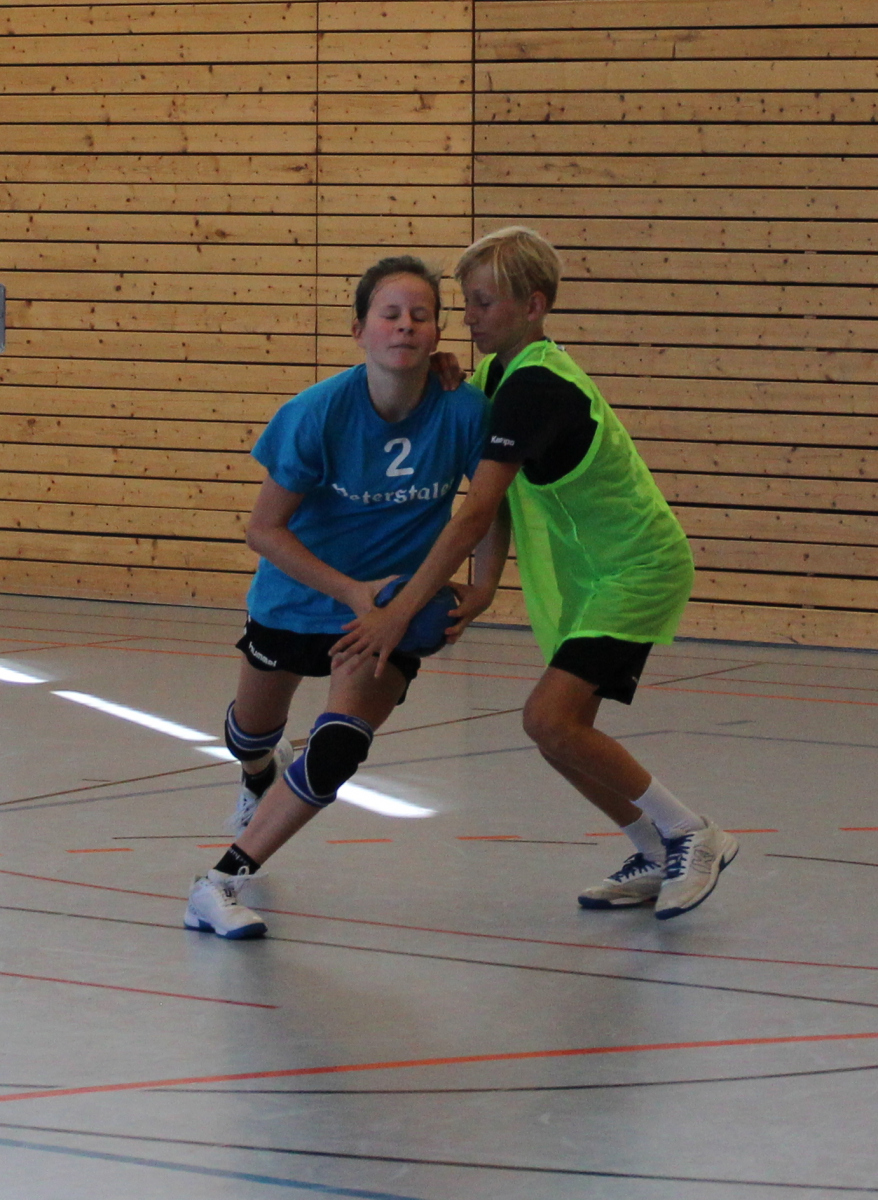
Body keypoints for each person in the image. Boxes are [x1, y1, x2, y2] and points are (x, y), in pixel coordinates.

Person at [333, 227, 738, 921]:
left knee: (549, 720)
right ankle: (650, 847)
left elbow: (472, 513)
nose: (469, 316)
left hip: (636, 566)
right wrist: (485, 586)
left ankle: (690, 833)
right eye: (466, 301)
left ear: (534, 305)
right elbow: (494, 498)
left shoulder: (536, 386)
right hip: (596, 573)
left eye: (484, 302)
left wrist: (399, 612)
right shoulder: (501, 375)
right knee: (557, 732)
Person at [184, 255, 509, 938]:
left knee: (339, 747)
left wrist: (481, 589)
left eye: (420, 315)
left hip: (389, 613)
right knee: (249, 735)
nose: (405, 325)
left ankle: (219, 882)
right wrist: (351, 590)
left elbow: (489, 506)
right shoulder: (316, 413)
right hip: (299, 599)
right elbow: (263, 530)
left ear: (438, 333)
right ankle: (256, 775)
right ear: (359, 329)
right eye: (389, 314)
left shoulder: (464, 410)